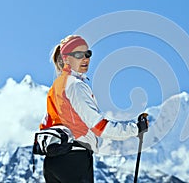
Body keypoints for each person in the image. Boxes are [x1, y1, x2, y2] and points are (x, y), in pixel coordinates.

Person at [39, 35, 148, 183]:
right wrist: (135, 129)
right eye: (78, 55)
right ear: (65, 59)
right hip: (74, 160)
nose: (85, 59)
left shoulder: (57, 86)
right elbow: (99, 127)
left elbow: (45, 124)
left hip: (53, 162)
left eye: (87, 54)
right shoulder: (75, 85)